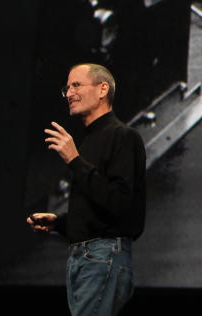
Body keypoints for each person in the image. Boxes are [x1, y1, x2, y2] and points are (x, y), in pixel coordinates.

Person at [27, 63, 146, 315]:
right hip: (84, 258)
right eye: (67, 88)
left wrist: (75, 161)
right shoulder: (89, 140)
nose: (69, 94)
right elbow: (96, 212)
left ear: (103, 89)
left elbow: (121, 206)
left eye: (76, 85)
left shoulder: (123, 137)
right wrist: (58, 223)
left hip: (102, 257)